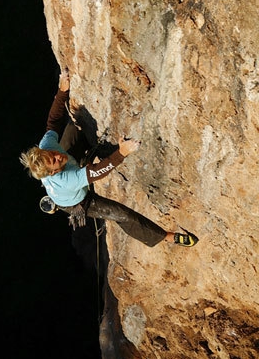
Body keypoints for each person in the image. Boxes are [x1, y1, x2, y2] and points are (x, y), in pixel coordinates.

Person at [19, 68, 198, 247]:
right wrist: (122, 152)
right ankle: (169, 237)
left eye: (52, 154)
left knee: (73, 130)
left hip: (69, 170)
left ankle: (86, 158)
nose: (57, 156)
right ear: (53, 172)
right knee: (121, 214)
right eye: (54, 161)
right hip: (77, 201)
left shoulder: (46, 147)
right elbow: (98, 172)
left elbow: (53, 121)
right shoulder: (67, 179)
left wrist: (62, 90)